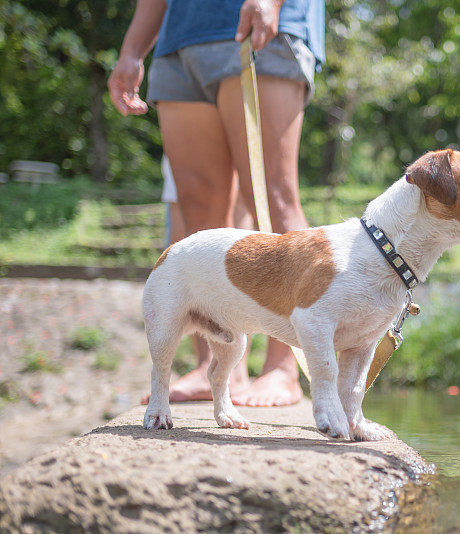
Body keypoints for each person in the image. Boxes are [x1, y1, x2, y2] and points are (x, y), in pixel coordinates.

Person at [108, 0, 325, 406]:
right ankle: (221, 371)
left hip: (259, 31)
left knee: (273, 198)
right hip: (179, 43)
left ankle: (283, 369)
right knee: (199, 214)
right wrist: (132, 51)